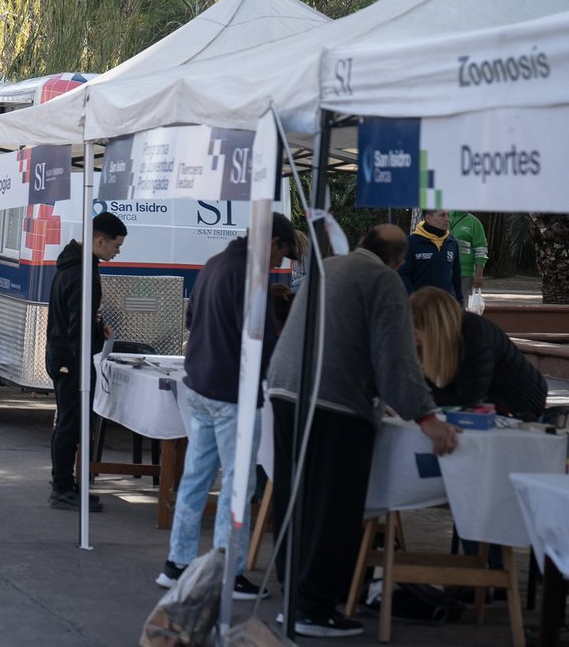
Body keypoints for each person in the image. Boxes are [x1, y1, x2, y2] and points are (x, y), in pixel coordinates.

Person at [267, 224, 460, 638]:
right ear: (400, 261)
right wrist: (426, 417)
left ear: (361, 244)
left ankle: (292, 598)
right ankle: (315, 607)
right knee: (333, 508)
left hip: (284, 391)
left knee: (294, 498)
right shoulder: (384, 279)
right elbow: (396, 355)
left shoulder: (329, 267)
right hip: (333, 403)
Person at [157, 213, 297, 599]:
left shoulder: (214, 264)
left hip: (199, 385)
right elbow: (262, 339)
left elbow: (190, 319)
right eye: (282, 254)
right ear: (273, 243)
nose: (280, 264)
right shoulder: (251, 275)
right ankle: (228, 572)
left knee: (196, 478)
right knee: (239, 485)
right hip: (232, 394)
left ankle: (177, 563)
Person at [44, 210, 128, 512]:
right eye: (116, 246)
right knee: (71, 423)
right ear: (100, 240)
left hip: (65, 357)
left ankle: (68, 484)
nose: (118, 252)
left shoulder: (79, 264)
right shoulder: (82, 271)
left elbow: (78, 315)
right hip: (71, 361)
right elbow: (76, 325)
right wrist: (84, 365)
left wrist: (97, 327)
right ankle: (62, 487)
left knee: (73, 423)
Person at [410, 286, 547, 421]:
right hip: (497, 405)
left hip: (521, 406)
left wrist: (418, 395)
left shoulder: (474, 336)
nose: (412, 333)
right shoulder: (452, 334)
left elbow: (468, 399)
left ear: (436, 325)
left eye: (417, 327)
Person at [398, 209, 463, 305]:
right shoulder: (412, 242)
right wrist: (413, 298)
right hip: (421, 306)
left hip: (446, 306)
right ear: (428, 218)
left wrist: (459, 303)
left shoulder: (451, 242)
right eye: (442, 215)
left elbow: (456, 276)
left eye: (448, 215)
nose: (447, 219)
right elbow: (402, 274)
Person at [449, 211, 488, 306]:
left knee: (461, 306)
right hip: (444, 271)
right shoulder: (445, 216)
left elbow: (481, 249)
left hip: (464, 274)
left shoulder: (474, 222)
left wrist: (479, 275)